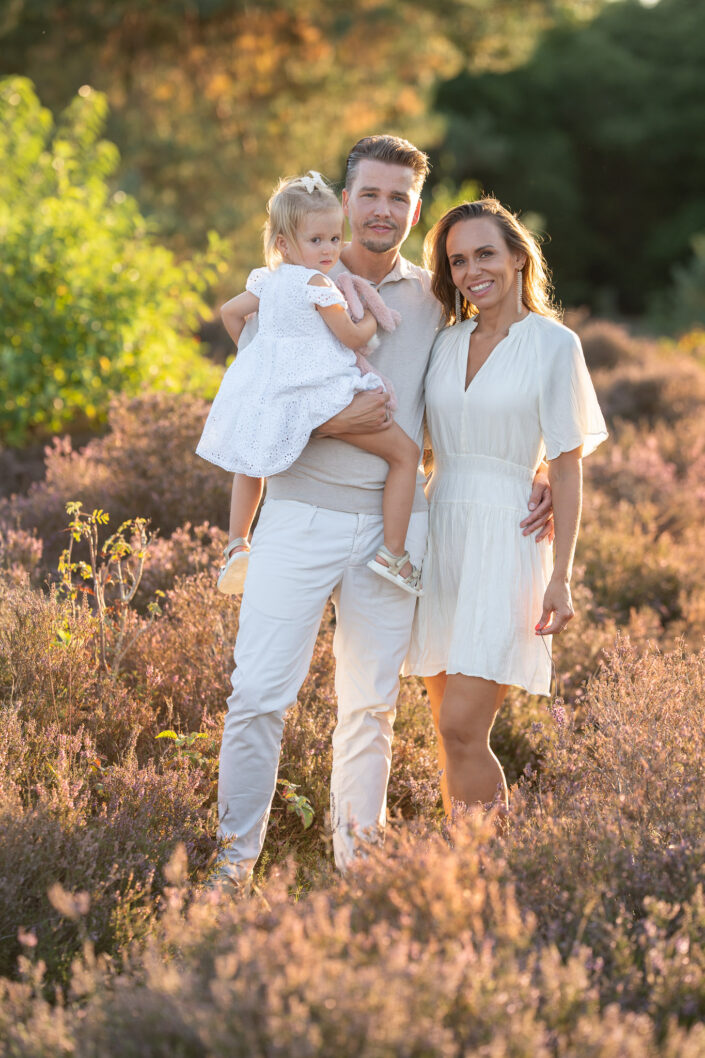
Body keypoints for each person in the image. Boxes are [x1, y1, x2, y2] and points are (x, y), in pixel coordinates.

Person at [209, 137, 553, 890]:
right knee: (259, 697)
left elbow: (503, 364)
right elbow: (253, 395)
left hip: (395, 529)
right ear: (346, 196)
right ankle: (229, 873)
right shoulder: (293, 281)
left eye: (398, 198)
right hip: (296, 514)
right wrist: (335, 422)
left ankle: (357, 871)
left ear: (414, 210)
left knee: (368, 709)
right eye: (369, 194)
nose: (381, 209)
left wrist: (541, 469)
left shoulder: (436, 297)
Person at [406, 198, 608, 819]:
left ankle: (493, 874)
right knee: (447, 730)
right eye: (459, 260)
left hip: (507, 537)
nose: (472, 271)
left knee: (465, 726)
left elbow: (568, 460)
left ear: (519, 257)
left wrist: (562, 577)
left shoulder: (554, 344)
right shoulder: (443, 342)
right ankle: (463, 878)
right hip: (441, 532)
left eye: (485, 254)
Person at [197, 171, 422, 597]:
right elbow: (354, 339)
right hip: (322, 392)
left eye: (335, 239)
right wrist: (373, 313)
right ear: (284, 243)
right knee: (406, 455)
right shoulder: (319, 285)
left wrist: (253, 357)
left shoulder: (267, 280)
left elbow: (229, 312)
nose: (329, 250)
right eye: (316, 240)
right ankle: (394, 554)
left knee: (251, 463)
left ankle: (237, 544)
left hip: (276, 390)